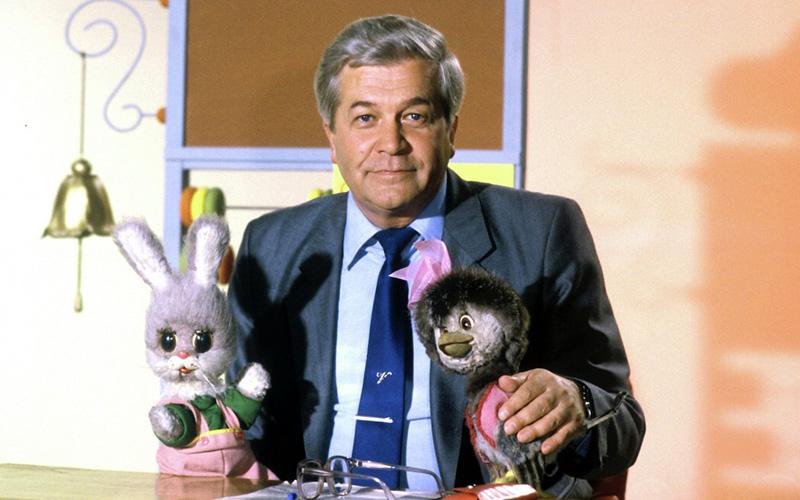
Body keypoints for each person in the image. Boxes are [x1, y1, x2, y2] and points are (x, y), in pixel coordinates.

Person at [228, 14, 645, 498]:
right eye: (365, 118)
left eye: (415, 116)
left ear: (451, 131)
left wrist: (578, 403)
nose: (391, 144)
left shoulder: (542, 232)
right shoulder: (272, 246)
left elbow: (623, 421)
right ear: (332, 138)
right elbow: (246, 422)